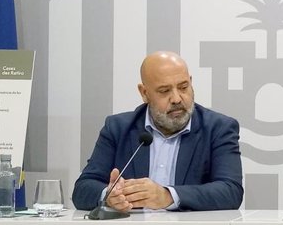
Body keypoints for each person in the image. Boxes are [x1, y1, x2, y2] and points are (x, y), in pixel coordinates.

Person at [72, 51, 243, 212]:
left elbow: (231, 191)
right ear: (144, 93)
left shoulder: (219, 128)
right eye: (164, 91)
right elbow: (82, 189)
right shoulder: (118, 128)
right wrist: (109, 196)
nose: (177, 99)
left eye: (183, 87)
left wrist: (167, 196)